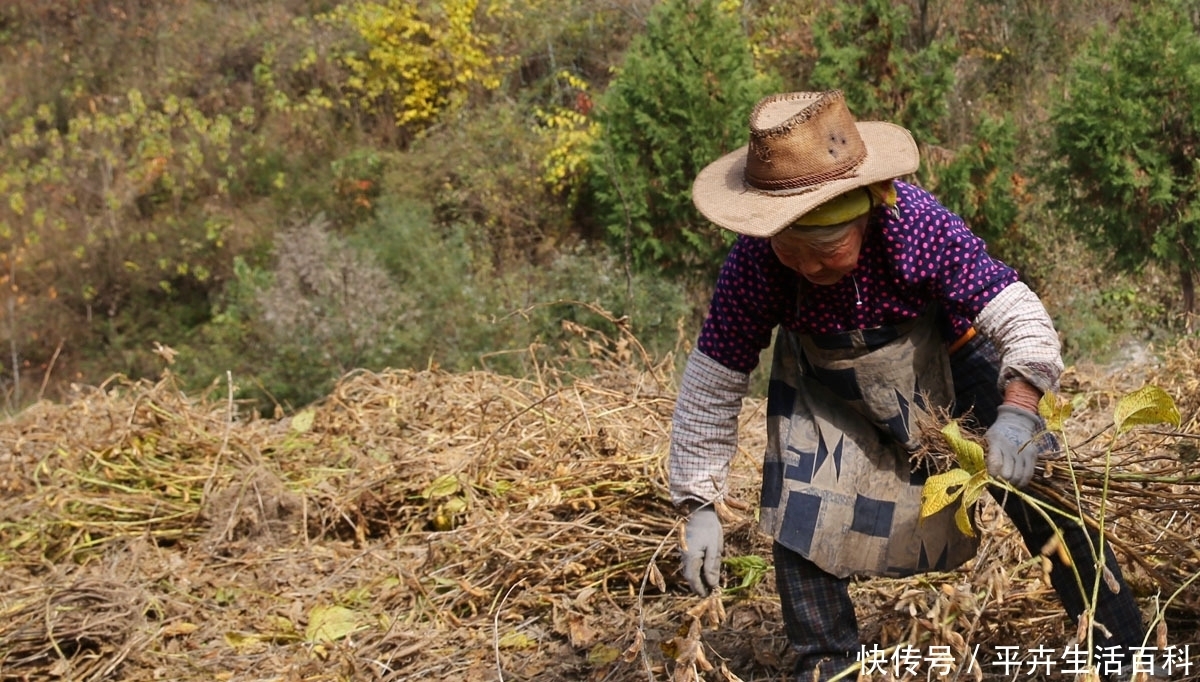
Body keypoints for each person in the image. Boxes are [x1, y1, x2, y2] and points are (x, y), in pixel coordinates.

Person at [668, 91, 1147, 680]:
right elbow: (715, 373)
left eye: (825, 253)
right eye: (790, 254)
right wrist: (698, 501)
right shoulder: (756, 261)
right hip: (828, 390)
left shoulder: (914, 223)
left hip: (945, 364)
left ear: (865, 211)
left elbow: (1016, 313)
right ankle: (829, 666)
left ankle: (1125, 653)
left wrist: (1019, 412)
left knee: (1054, 501)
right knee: (799, 528)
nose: (808, 270)